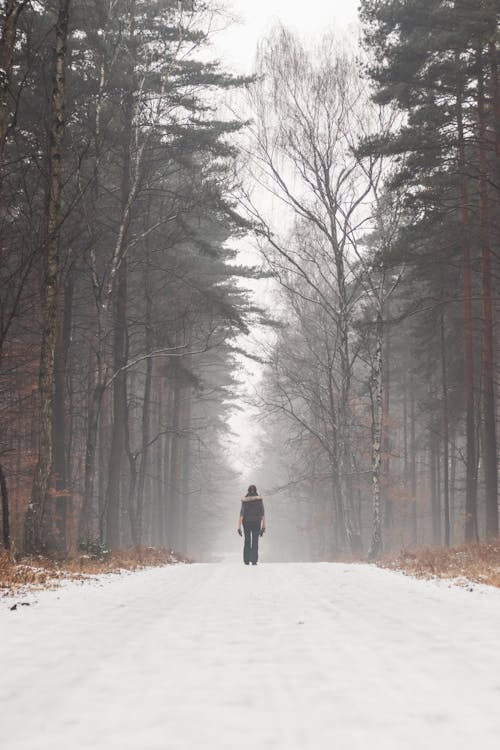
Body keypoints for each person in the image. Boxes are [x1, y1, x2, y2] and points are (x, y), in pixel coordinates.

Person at [237, 484, 266, 565]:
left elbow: (241, 514)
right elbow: (262, 513)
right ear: (256, 490)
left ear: (248, 491)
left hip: (246, 523)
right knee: (255, 541)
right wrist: (263, 527)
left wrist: (239, 527)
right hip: (256, 522)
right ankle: (254, 560)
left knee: (247, 541)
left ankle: (246, 560)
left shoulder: (245, 500)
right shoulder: (259, 500)